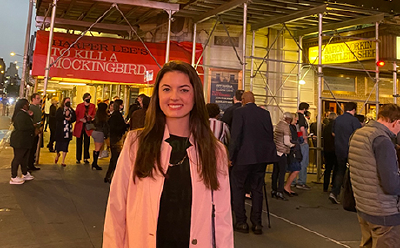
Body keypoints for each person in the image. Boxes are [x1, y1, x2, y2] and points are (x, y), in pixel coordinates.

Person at [103, 61, 233, 247]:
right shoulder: (136, 144)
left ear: (195, 96)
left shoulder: (214, 151)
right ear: (157, 96)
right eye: (166, 89)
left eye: (184, 90)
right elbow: (117, 209)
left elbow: (222, 218)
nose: (174, 97)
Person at [349, 104, 400, 247]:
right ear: (396, 122)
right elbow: (391, 185)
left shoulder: (359, 133)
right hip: (383, 211)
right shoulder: (383, 140)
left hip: (364, 206)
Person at [229, 91, 277, 235]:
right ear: (254, 100)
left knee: (238, 188)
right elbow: (269, 134)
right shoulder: (265, 114)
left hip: (243, 157)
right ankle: (257, 224)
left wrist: (231, 156)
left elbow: (236, 136)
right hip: (261, 158)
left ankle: (241, 222)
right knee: (257, 189)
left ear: (243, 100)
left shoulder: (239, 112)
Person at [329, 102, 361, 204]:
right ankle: (351, 197)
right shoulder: (354, 120)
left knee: (340, 171)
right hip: (351, 150)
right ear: (354, 109)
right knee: (353, 173)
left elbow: (333, 133)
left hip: (339, 149)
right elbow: (359, 135)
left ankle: (334, 192)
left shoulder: (338, 119)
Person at [9, 99, 35, 184]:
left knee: (24, 158)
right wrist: (33, 127)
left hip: (24, 140)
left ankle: (25, 173)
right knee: (18, 158)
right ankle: (13, 176)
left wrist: (31, 116)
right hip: (20, 140)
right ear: (23, 105)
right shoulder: (20, 114)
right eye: (27, 104)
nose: (28, 106)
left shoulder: (24, 114)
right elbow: (22, 127)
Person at [272, 112, 295, 201]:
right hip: (282, 152)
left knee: (275, 172)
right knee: (282, 173)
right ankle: (280, 191)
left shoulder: (278, 125)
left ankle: (274, 190)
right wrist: (292, 145)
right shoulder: (286, 127)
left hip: (276, 151)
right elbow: (286, 142)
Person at [104, 99, 128, 183]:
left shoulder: (114, 115)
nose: (122, 106)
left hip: (114, 138)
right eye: (121, 105)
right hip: (116, 139)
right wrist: (125, 126)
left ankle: (109, 175)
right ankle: (111, 176)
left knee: (114, 158)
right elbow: (116, 127)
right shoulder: (116, 116)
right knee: (115, 158)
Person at [73, 93, 96, 164]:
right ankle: (78, 158)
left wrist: (91, 117)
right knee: (79, 142)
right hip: (80, 125)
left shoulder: (92, 106)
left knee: (87, 142)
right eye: (87, 98)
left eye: (89, 98)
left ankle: (86, 157)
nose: (88, 99)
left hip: (88, 126)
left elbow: (94, 115)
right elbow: (75, 115)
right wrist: (80, 119)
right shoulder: (79, 106)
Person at [293, 102, 310, 190]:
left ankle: (292, 181)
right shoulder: (302, 118)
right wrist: (304, 138)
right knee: (304, 162)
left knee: (295, 161)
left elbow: (297, 130)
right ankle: (301, 181)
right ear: (305, 109)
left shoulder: (295, 116)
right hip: (302, 143)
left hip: (295, 141)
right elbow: (302, 128)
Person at [54, 97, 76, 167]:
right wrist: (65, 116)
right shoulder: (60, 110)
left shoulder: (71, 110)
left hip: (67, 131)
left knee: (66, 145)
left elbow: (74, 118)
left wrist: (70, 119)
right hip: (60, 130)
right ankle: (58, 154)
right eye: (67, 101)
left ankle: (63, 160)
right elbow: (57, 117)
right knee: (58, 145)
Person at [284, 113, 301, 196]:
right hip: (293, 150)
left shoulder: (293, 127)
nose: (297, 120)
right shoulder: (289, 128)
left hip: (295, 149)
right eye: (295, 119)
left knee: (294, 169)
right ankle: (287, 186)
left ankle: (288, 186)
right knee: (296, 169)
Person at [91, 102, 109, 170]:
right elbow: (105, 126)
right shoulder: (104, 117)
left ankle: (94, 163)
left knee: (96, 147)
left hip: (95, 132)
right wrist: (106, 135)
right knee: (97, 149)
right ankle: (94, 163)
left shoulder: (97, 115)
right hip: (100, 133)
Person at [322, 112, 337, 192]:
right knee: (335, 169)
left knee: (327, 169)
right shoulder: (336, 127)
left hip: (326, 149)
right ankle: (333, 184)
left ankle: (325, 186)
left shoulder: (325, 127)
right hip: (334, 150)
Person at [27, 93, 42, 171]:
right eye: (37, 98)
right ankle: (28, 164)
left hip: (37, 131)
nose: (39, 100)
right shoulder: (31, 108)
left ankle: (31, 164)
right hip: (32, 131)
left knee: (34, 149)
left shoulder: (37, 108)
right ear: (33, 99)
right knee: (31, 148)